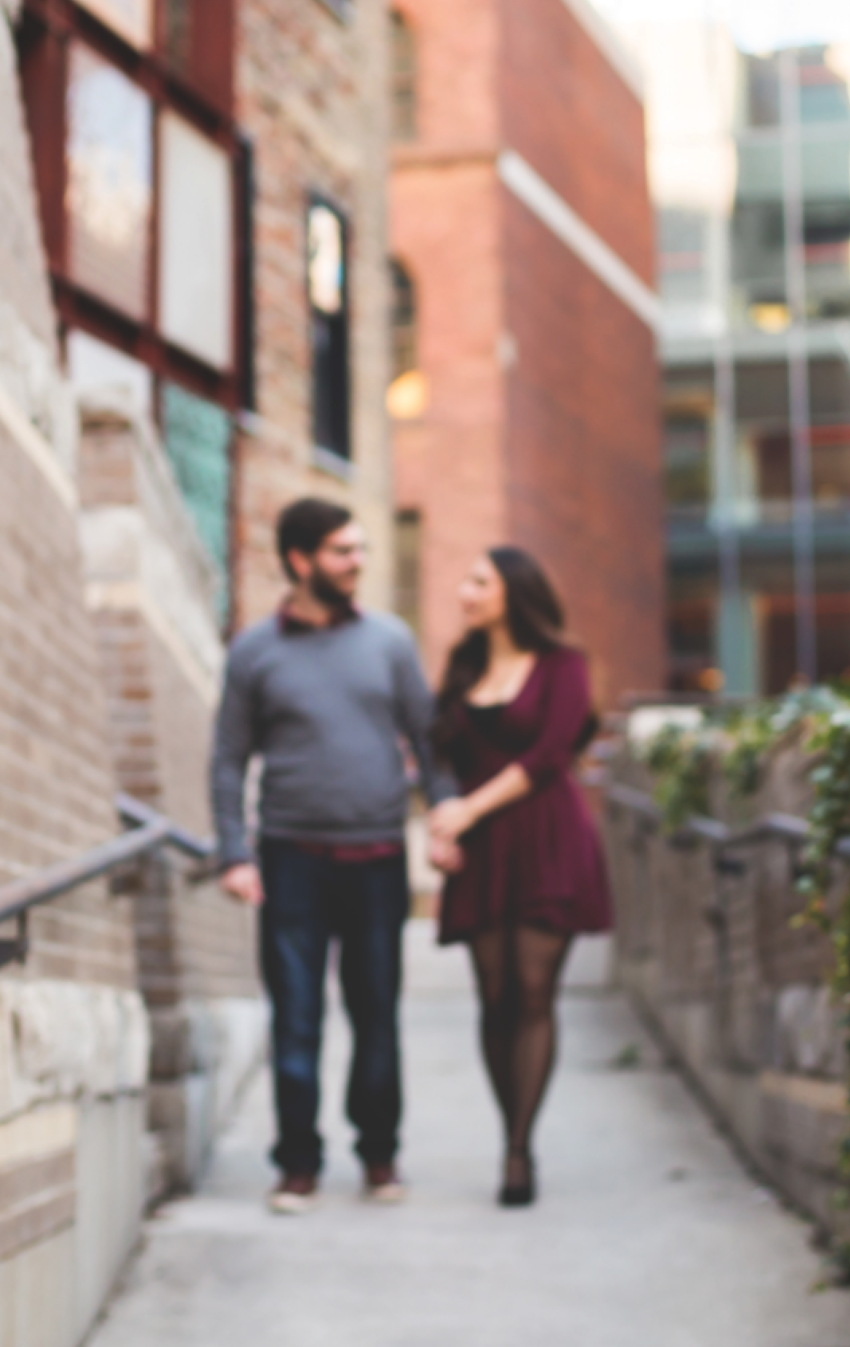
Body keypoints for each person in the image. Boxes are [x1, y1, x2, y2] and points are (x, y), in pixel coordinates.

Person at [210, 497, 450, 1214]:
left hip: (377, 857)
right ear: (300, 560)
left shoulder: (390, 641)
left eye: (360, 550)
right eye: (344, 552)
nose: (358, 563)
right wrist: (234, 852)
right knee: (297, 1015)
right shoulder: (254, 651)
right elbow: (227, 760)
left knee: (377, 1013)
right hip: (291, 861)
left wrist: (446, 820)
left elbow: (430, 740)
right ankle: (297, 1164)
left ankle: (379, 1155)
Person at [423, 546, 612, 1208]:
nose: (465, 592)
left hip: (548, 839)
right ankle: (511, 1127)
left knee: (533, 994)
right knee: (494, 996)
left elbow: (551, 752)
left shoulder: (564, 664)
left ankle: (517, 1149)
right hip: (481, 854)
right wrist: (441, 826)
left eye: (479, 581)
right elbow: (439, 754)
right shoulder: (463, 665)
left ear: (513, 592)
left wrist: (464, 811)